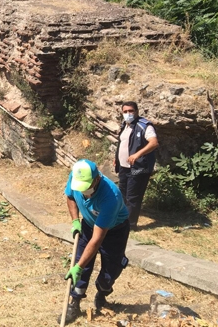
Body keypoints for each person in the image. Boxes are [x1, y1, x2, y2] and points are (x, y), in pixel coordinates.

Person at [61, 159, 130, 324]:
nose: (83, 190)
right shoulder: (76, 177)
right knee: (81, 263)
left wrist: (78, 267)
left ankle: (102, 293)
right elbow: (70, 197)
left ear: (97, 178)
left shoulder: (110, 197)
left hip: (114, 231)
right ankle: (75, 303)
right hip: (88, 224)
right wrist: (75, 220)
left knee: (110, 270)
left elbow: (97, 239)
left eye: (86, 186)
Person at [114, 101, 159, 229]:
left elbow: (154, 143)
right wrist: (116, 158)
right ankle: (120, 220)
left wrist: (137, 155)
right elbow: (122, 144)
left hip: (139, 167)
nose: (128, 114)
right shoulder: (125, 125)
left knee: (133, 196)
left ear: (137, 111)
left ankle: (130, 225)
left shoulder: (145, 126)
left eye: (131, 111)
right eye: (125, 111)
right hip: (124, 166)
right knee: (122, 194)